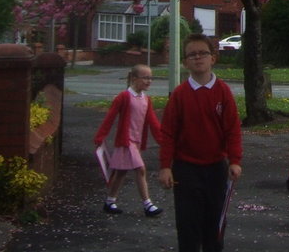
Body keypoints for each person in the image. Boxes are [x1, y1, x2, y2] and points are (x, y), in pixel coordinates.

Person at [158, 34, 243, 252]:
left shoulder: (223, 92)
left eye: (203, 53)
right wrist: (165, 166)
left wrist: (234, 160)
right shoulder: (179, 95)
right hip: (186, 169)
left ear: (213, 58)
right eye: (192, 55)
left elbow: (232, 129)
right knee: (188, 225)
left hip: (215, 168)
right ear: (185, 62)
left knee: (214, 224)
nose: (198, 58)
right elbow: (168, 133)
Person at [93, 63, 165, 217]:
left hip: (136, 142)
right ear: (134, 78)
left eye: (150, 78)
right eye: (145, 77)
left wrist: (164, 141)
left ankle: (110, 201)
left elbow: (153, 122)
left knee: (121, 172)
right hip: (126, 142)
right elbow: (110, 117)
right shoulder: (124, 97)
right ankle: (148, 205)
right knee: (140, 169)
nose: (149, 81)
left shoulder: (146, 99)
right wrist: (100, 136)